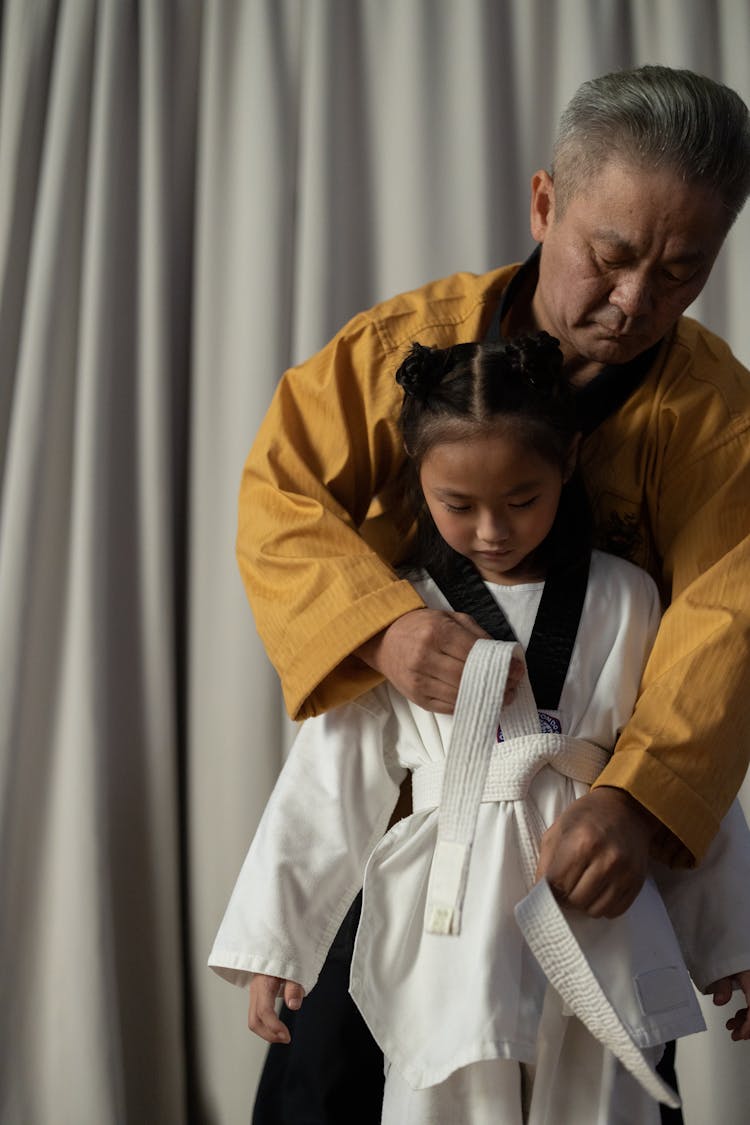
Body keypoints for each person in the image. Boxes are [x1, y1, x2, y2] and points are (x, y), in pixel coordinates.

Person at [237, 65, 750, 1120]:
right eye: (609, 258)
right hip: (411, 827)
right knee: (334, 1083)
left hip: (595, 836)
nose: (633, 303)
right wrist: (381, 630)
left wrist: (640, 801)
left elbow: (727, 624)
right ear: (545, 203)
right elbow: (282, 496)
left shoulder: (718, 421)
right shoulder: (399, 353)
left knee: (600, 1086)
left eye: (680, 273)